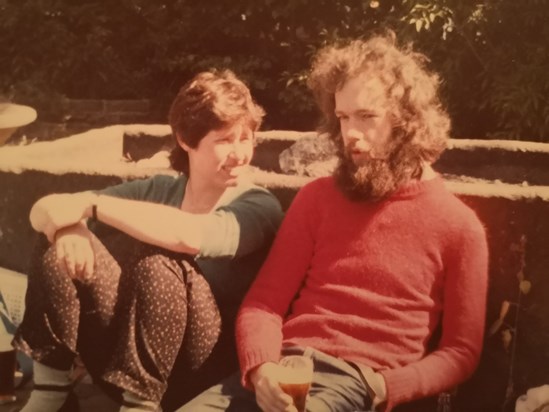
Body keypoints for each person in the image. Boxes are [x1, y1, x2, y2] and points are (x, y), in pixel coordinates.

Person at [178, 32, 489, 412]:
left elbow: (461, 351)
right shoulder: (317, 198)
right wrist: (261, 370)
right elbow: (263, 304)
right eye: (342, 117)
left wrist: (384, 387)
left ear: (407, 120)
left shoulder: (460, 226)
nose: (350, 134)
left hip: (362, 383)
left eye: (367, 116)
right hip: (287, 368)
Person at [12, 69, 284, 412]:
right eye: (224, 141)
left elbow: (188, 235)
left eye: (246, 138)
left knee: (161, 261)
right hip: (128, 366)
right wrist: (70, 228)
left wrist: (91, 207)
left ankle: (140, 407)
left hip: (203, 375)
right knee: (57, 243)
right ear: (187, 140)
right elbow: (45, 209)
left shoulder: (259, 205)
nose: (239, 154)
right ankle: (52, 396)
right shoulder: (159, 189)